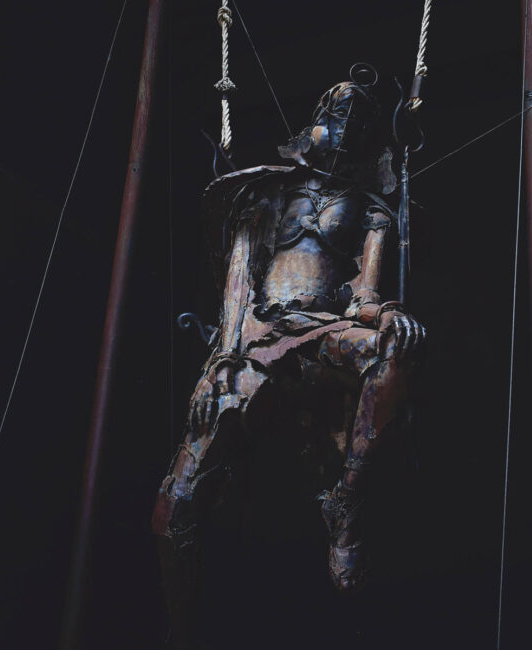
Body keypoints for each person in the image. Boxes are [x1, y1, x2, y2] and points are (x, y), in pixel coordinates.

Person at [152, 75, 426, 648]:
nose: (347, 124)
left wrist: (386, 314)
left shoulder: (371, 209)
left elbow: (363, 296)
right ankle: (178, 633)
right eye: (340, 109)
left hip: (323, 328)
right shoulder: (268, 192)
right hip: (257, 333)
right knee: (175, 507)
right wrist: (223, 358)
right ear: (318, 119)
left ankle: (346, 499)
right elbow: (240, 276)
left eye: (358, 116)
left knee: (395, 348)